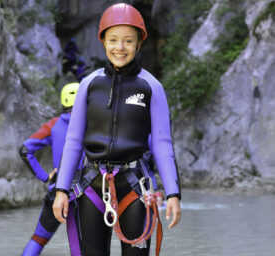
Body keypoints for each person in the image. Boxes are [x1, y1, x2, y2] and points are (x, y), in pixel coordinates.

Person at [53, 3, 181, 256]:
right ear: (103, 41)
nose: (120, 48)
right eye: (113, 39)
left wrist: (173, 193)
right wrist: (61, 190)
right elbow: (74, 140)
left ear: (139, 43)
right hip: (91, 186)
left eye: (128, 41)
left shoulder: (151, 87)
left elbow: (162, 143)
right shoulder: (89, 85)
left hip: (134, 186)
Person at [19, 83, 80, 256]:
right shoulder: (93, 125)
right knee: (81, 246)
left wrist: (46, 178)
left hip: (57, 191)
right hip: (84, 192)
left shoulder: (54, 125)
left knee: (38, 239)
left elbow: (25, 150)